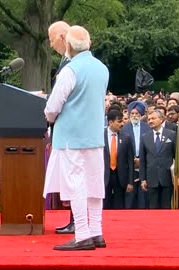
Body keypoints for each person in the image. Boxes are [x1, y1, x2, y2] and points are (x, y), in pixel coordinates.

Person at [44, 25, 108, 251]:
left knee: (76, 186)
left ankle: (81, 233)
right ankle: (96, 231)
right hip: (94, 136)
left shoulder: (70, 70)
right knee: (94, 184)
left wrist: (48, 115)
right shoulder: (102, 68)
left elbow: (52, 107)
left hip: (71, 137)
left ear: (69, 45)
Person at [47, 20, 75, 235]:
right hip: (66, 130)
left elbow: (60, 101)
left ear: (63, 37)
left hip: (70, 132)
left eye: (51, 39)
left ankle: (77, 221)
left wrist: (48, 109)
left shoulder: (72, 63)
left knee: (75, 179)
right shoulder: (66, 61)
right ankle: (75, 219)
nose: (50, 45)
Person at [139, 110, 176, 209]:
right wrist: (143, 179)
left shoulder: (171, 135)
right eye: (149, 119)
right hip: (151, 178)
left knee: (166, 207)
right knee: (153, 208)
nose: (150, 121)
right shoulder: (145, 137)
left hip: (167, 178)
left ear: (161, 119)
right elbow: (142, 160)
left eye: (153, 118)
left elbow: (176, 156)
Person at [103, 109, 134, 209]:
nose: (122, 124)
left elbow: (130, 161)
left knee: (119, 205)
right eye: (119, 121)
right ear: (111, 122)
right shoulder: (99, 136)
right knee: (104, 204)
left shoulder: (126, 138)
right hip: (104, 175)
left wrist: (130, 181)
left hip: (120, 176)